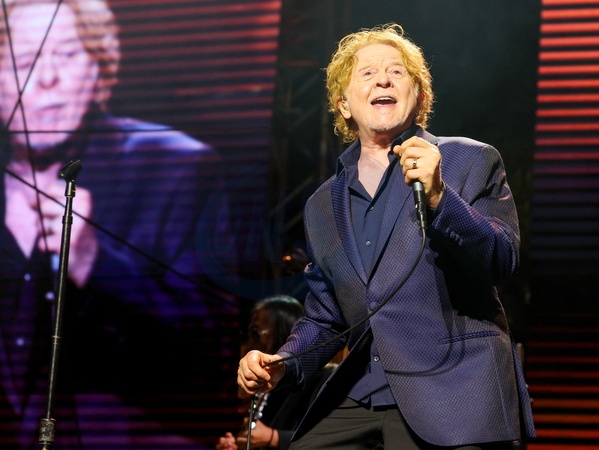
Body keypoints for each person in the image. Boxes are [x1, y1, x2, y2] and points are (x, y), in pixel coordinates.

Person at [237, 23, 536, 449]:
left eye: (397, 72)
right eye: (368, 73)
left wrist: (440, 197)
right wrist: (283, 362)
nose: (383, 80)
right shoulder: (322, 204)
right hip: (360, 393)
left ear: (420, 97)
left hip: (452, 389)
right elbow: (325, 315)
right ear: (343, 104)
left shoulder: (468, 160)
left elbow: (502, 258)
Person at [0, 0, 236, 448]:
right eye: (25, 60)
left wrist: (96, 262)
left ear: (100, 69)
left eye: (66, 54)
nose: (46, 77)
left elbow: (213, 350)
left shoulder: (175, 167)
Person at [217, 295, 336, 450]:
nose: (248, 344)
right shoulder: (266, 384)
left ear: (284, 333)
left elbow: (332, 440)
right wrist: (236, 444)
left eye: (255, 333)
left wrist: (273, 437)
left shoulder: (324, 378)